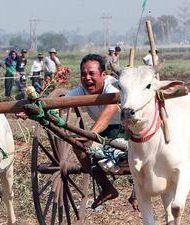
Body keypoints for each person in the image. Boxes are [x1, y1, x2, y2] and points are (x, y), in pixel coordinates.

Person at [66, 54, 122, 208]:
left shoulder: (113, 87)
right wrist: (36, 109)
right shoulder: (81, 90)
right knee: (78, 147)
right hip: (102, 133)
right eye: (84, 74)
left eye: (92, 73)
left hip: (125, 131)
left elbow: (111, 108)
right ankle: (107, 187)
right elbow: (61, 102)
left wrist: (90, 136)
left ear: (103, 75)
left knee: (85, 143)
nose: (87, 78)